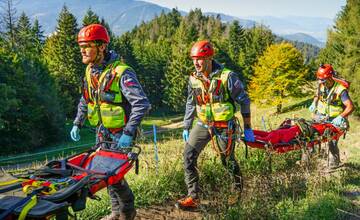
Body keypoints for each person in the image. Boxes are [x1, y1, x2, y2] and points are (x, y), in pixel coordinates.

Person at [70, 24, 150, 220]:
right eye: (81, 45)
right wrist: (77, 122)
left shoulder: (122, 72)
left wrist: (129, 132)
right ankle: (116, 212)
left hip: (120, 132)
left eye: (87, 45)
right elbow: (86, 99)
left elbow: (142, 104)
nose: (82, 50)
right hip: (102, 132)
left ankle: (127, 212)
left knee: (113, 176)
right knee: (105, 175)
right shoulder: (90, 71)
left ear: (102, 47)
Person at [176, 40, 255, 209]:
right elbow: (191, 103)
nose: (196, 63)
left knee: (227, 160)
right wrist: (186, 126)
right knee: (188, 156)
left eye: (200, 59)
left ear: (210, 58)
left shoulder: (227, 77)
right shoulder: (193, 79)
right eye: (193, 59)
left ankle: (237, 191)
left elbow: (244, 101)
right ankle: (193, 196)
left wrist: (248, 129)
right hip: (203, 124)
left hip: (224, 126)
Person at [308, 64, 354, 168]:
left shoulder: (340, 90)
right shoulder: (321, 84)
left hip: (334, 119)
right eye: (319, 80)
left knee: (332, 141)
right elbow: (317, 95)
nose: (321, 82)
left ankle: (334, 164)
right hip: (319, 116)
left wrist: (341, 117)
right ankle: (309, 161)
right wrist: (313, 104)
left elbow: (350, 107)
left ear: (330, 77)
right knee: (310, 137)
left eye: (323, 80)